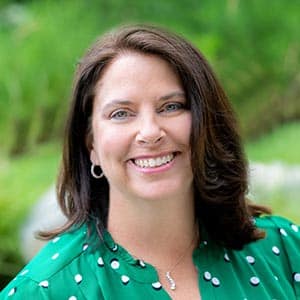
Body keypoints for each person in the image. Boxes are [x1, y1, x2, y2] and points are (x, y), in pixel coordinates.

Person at [1, 24, 299, 300]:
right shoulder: (43, 291)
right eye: (121, 113)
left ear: (207, 122)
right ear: (90, 143)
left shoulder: (285, 250)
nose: (150, 133)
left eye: (171, 107)